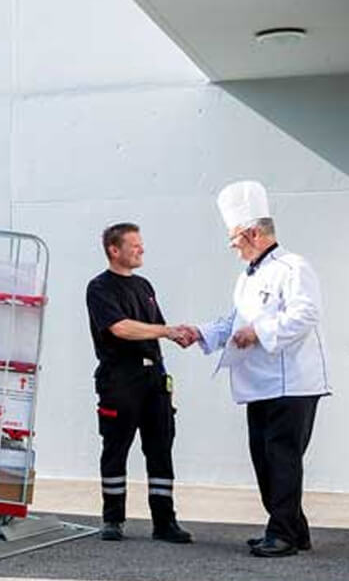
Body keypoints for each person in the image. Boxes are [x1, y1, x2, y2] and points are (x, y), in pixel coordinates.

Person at [181, 181, 331, 558]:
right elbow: (234, 321)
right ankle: (294, 530)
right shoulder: (246, 277)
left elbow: (306, 313)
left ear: (252, 233)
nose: (232, 245)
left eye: (234, 237)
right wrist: (200, 332)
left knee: (281, 458)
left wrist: (260, 332)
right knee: (264, 458)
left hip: (291, 382)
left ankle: (281, 533)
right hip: (259, 384)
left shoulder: (292, 267)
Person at [85, 223, 194, 543]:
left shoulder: (144, 285)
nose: (141, 250)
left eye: (141, 244)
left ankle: (164, 522)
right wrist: (166, 331)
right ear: (114, 250)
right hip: (119, 380)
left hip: (154, 380)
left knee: (161, 448)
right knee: (116, 448)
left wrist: (182, 335)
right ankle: (112, 520)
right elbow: (120, 328)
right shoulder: (100, 288)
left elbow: (157, 326)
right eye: (134, 245)